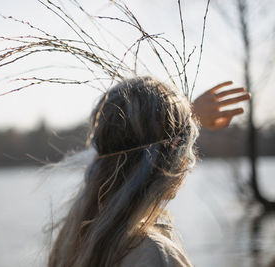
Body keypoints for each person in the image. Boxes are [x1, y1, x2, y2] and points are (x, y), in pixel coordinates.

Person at [47, 77, 250, 267]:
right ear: (169, 163)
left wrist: (183, 115)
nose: (189, 160)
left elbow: (126, 143)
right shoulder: (156, 255)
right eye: (186, 147)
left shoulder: (78, 236)